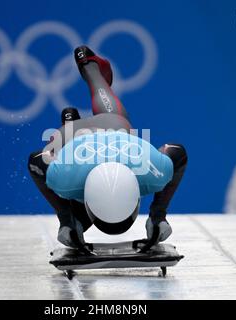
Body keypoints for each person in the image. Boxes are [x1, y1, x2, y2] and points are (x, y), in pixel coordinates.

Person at [28, 46, 187, 248]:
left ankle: (87, 77)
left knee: (113, 122)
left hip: (97, 133)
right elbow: (35, 161)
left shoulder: (152, 173)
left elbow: (36, 160)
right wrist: (158, 216)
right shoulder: (68, 181)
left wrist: (66, 220)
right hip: (80, 138)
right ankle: (84, 84)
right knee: (76, 214)